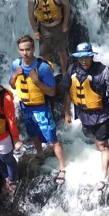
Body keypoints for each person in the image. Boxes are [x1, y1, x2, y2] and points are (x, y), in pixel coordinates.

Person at [9, 35, 67, 184]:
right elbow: (12, 85)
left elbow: (52, 92)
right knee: (33, 134)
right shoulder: (16, 64)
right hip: (25, 107)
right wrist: (15, 76)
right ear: (18, 50)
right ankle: (40, 154)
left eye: (28, 49)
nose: (25, 53)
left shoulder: (43, 67)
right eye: (22, 50)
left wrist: (36, 81)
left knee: (52, 139)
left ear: (33, 48)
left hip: (41, 108)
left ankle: (63, 167)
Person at [61, 42, 109, 190]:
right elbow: (67, 91)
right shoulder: (72, 70)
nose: (84, 61)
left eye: (87, 57)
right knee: (95, 141)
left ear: (91, 56)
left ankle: (104, 177)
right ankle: (104, 152)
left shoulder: (103, 71)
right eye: (80, 58)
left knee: (102, 145)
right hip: (83, 114)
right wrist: (67, 111)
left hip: (101, 115)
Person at [28, 0, 71, 73]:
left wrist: (65, 24)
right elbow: (30, 15)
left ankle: (64, 73)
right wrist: (36, 32)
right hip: (44, 28)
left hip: (58, 27)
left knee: (62, 52)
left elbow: (67, 6)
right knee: (44, 55)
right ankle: (46, 74)